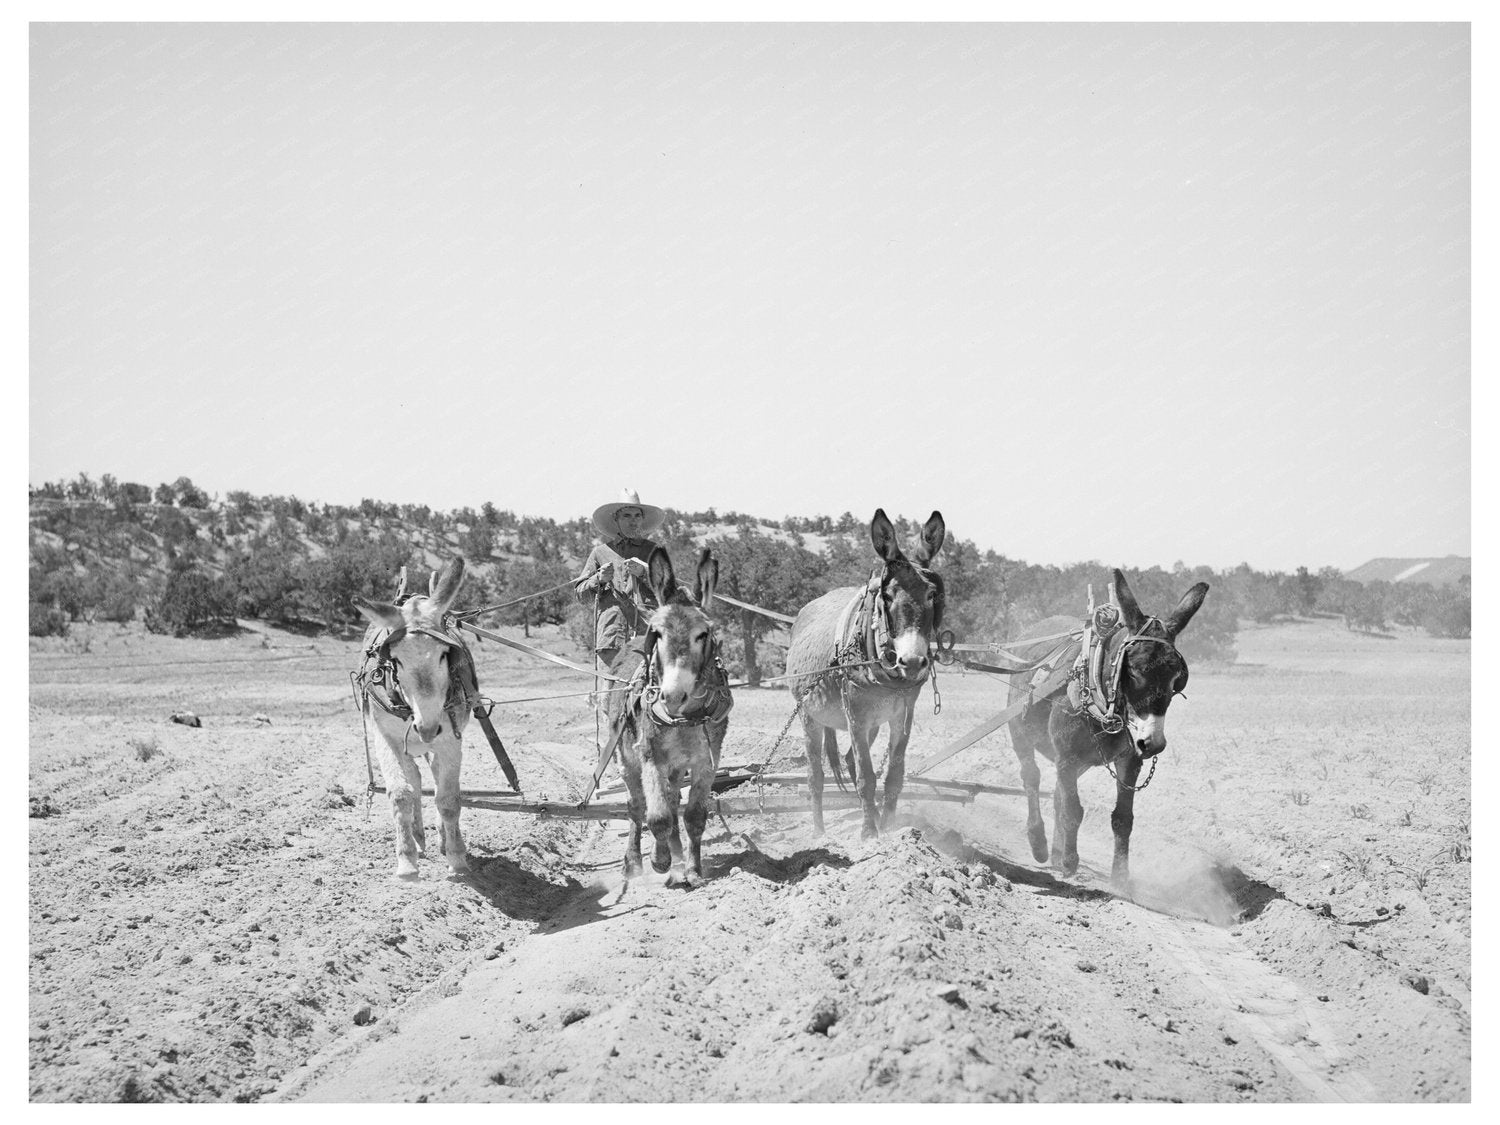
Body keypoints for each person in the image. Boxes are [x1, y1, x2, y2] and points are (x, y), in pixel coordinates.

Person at [575, 488, 667, 728]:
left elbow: (670, 590)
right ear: (616, 519)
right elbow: (581, 594)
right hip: (611, 638)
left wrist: (646, 573)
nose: (633, 521)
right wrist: (599, 579)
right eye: (627, 516)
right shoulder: (600, 553)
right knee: (610, 700)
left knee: (652, 694)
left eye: (637, 515)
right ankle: (618, 757)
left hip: (647, 637)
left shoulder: (654, 551)